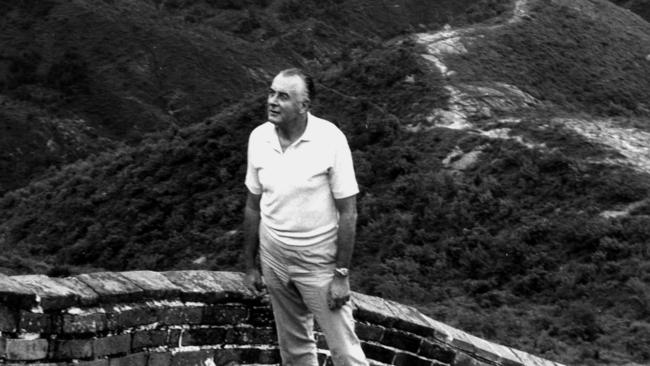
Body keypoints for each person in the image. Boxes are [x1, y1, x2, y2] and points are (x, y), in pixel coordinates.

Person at [242, 68, 369, 366]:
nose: (272, 101)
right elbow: (252, 205)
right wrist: (250, 266)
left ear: (304, 105)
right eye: (271, 93)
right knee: (294, 348)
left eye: (283, 96)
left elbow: (348, 212)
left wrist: (341, 275)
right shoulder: (259, 138)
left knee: (345, 352)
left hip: (317, 265)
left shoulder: (330, 139)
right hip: (273, 258)